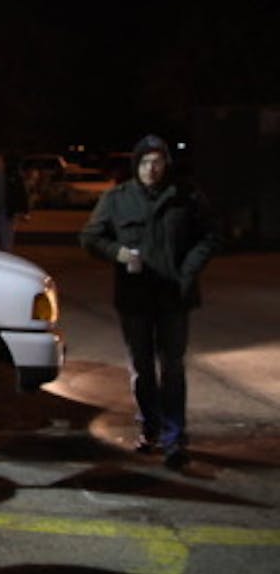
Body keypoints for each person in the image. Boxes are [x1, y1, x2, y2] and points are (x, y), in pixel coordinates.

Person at [80, 134, 220, 470]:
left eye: (158, 162)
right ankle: (150, 429)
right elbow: (90, 236)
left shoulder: (185, 197)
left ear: (166, 165)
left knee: (172, 368)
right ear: (136, 165)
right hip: (135, 298)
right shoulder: (118, 199)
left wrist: (187, 271)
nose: (151, 169)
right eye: (145, 162)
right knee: (142, 369)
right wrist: (118, 252)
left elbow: (211, 235)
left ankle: (175, 440)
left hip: (174, 297)